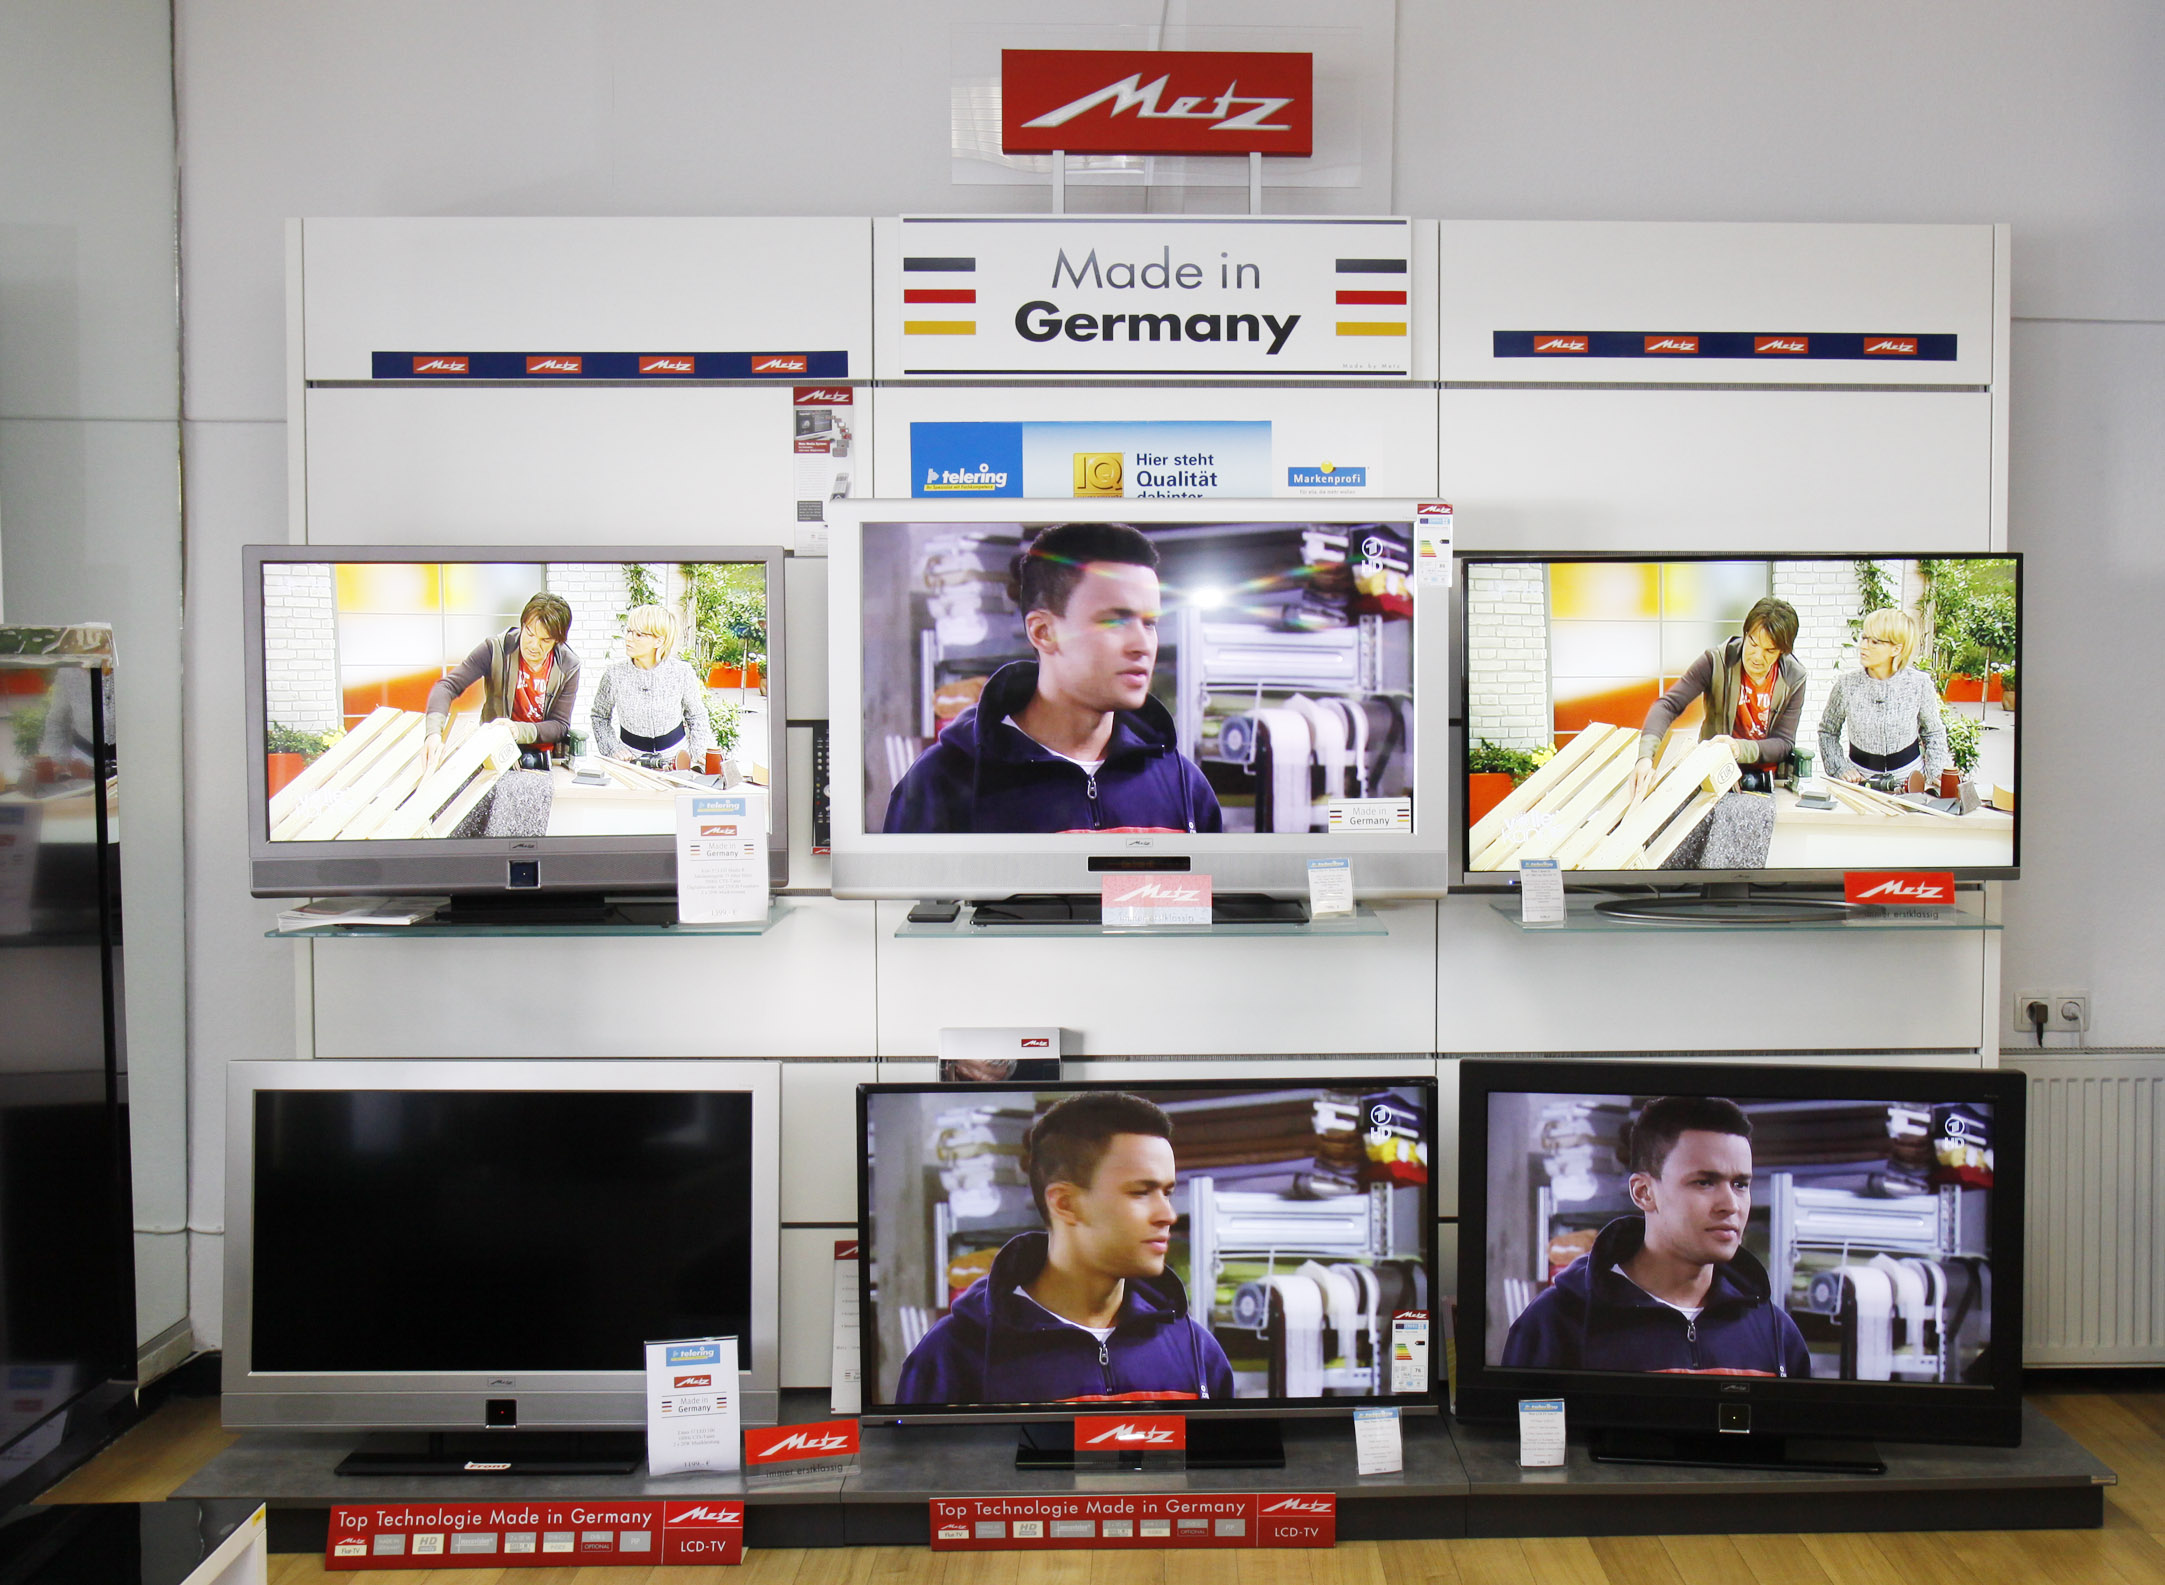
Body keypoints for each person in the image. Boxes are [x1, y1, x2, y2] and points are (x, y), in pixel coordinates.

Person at [894, 1091, 1236, 1405]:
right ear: (1065, 1204)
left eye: (1167, 1192)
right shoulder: (953, 1356)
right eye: (1140, 1192)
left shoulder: (1195, 1350)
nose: (1168, 1215)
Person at [881, 522, 1222, 834]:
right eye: (1115, 621)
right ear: (1043, 632)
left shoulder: (1183, 785)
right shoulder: (941, 784)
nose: (1143, 645)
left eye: (1149, 623)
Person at [1500, 1095, 1813, 1377]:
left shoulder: (1775, 1332)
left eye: (1740, 1184)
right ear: (1643, 1192)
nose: (1731, 1205)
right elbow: (1524, 1425)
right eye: (1704, 1182)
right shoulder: (1555, 1323)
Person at [1630, 597, 1805, 800]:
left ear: (1782, 651)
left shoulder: (1794, 678)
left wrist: (1738, 748)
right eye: (1753, 643)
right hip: (1713, 776)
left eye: (1769, 650)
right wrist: (1645, 758)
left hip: (1764, 783)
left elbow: (1784, 742)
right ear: (1745, 634)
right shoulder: (1716, 661)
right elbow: (1667, 706)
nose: (1757, 657)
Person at [421, 592, 580, 775]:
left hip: (541, 760)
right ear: (523, 624)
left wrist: (517, 730)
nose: (533, 646)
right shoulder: (495, 649)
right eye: (529, 633)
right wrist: (433, 734)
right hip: (494, 755)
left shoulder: (568, 666)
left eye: (545, 640)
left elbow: (560, 725)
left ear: (557, 641)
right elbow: (446, 687)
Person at [1819, 607, 1950, 790]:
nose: (1864, 646)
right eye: (1864, 638)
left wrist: (1936, 771)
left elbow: (1933, 732)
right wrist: (1840, 767)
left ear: (1896, 649)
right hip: (1860, 783)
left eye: (1875, 642)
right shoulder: (1846, 685)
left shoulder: (1919, 684)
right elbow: (1827, 732)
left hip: (1911, 782)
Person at [588, 603, 714, 767]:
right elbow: (599, 717)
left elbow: (696, 715)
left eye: (639, 635)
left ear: (659, 641)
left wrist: (699, 751)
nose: (629, 638)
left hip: (677, 761)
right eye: (629, 631)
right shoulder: (614, 674)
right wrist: (613, 748)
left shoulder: (681, 672)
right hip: (631, 762)